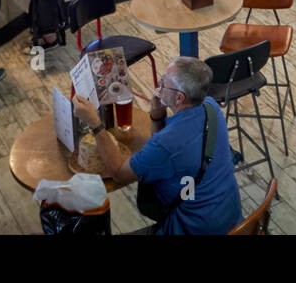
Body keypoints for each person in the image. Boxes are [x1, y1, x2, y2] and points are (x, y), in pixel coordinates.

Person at [71, 57, 242, 234]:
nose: (159, 85)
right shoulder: (211, 106)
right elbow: (163, 150)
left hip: (194, 228)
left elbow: (118, 173)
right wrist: (157, 115)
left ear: (179, 97)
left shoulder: (167, 143)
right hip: (231, 218)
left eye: (164, 82)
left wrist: (95, 123)